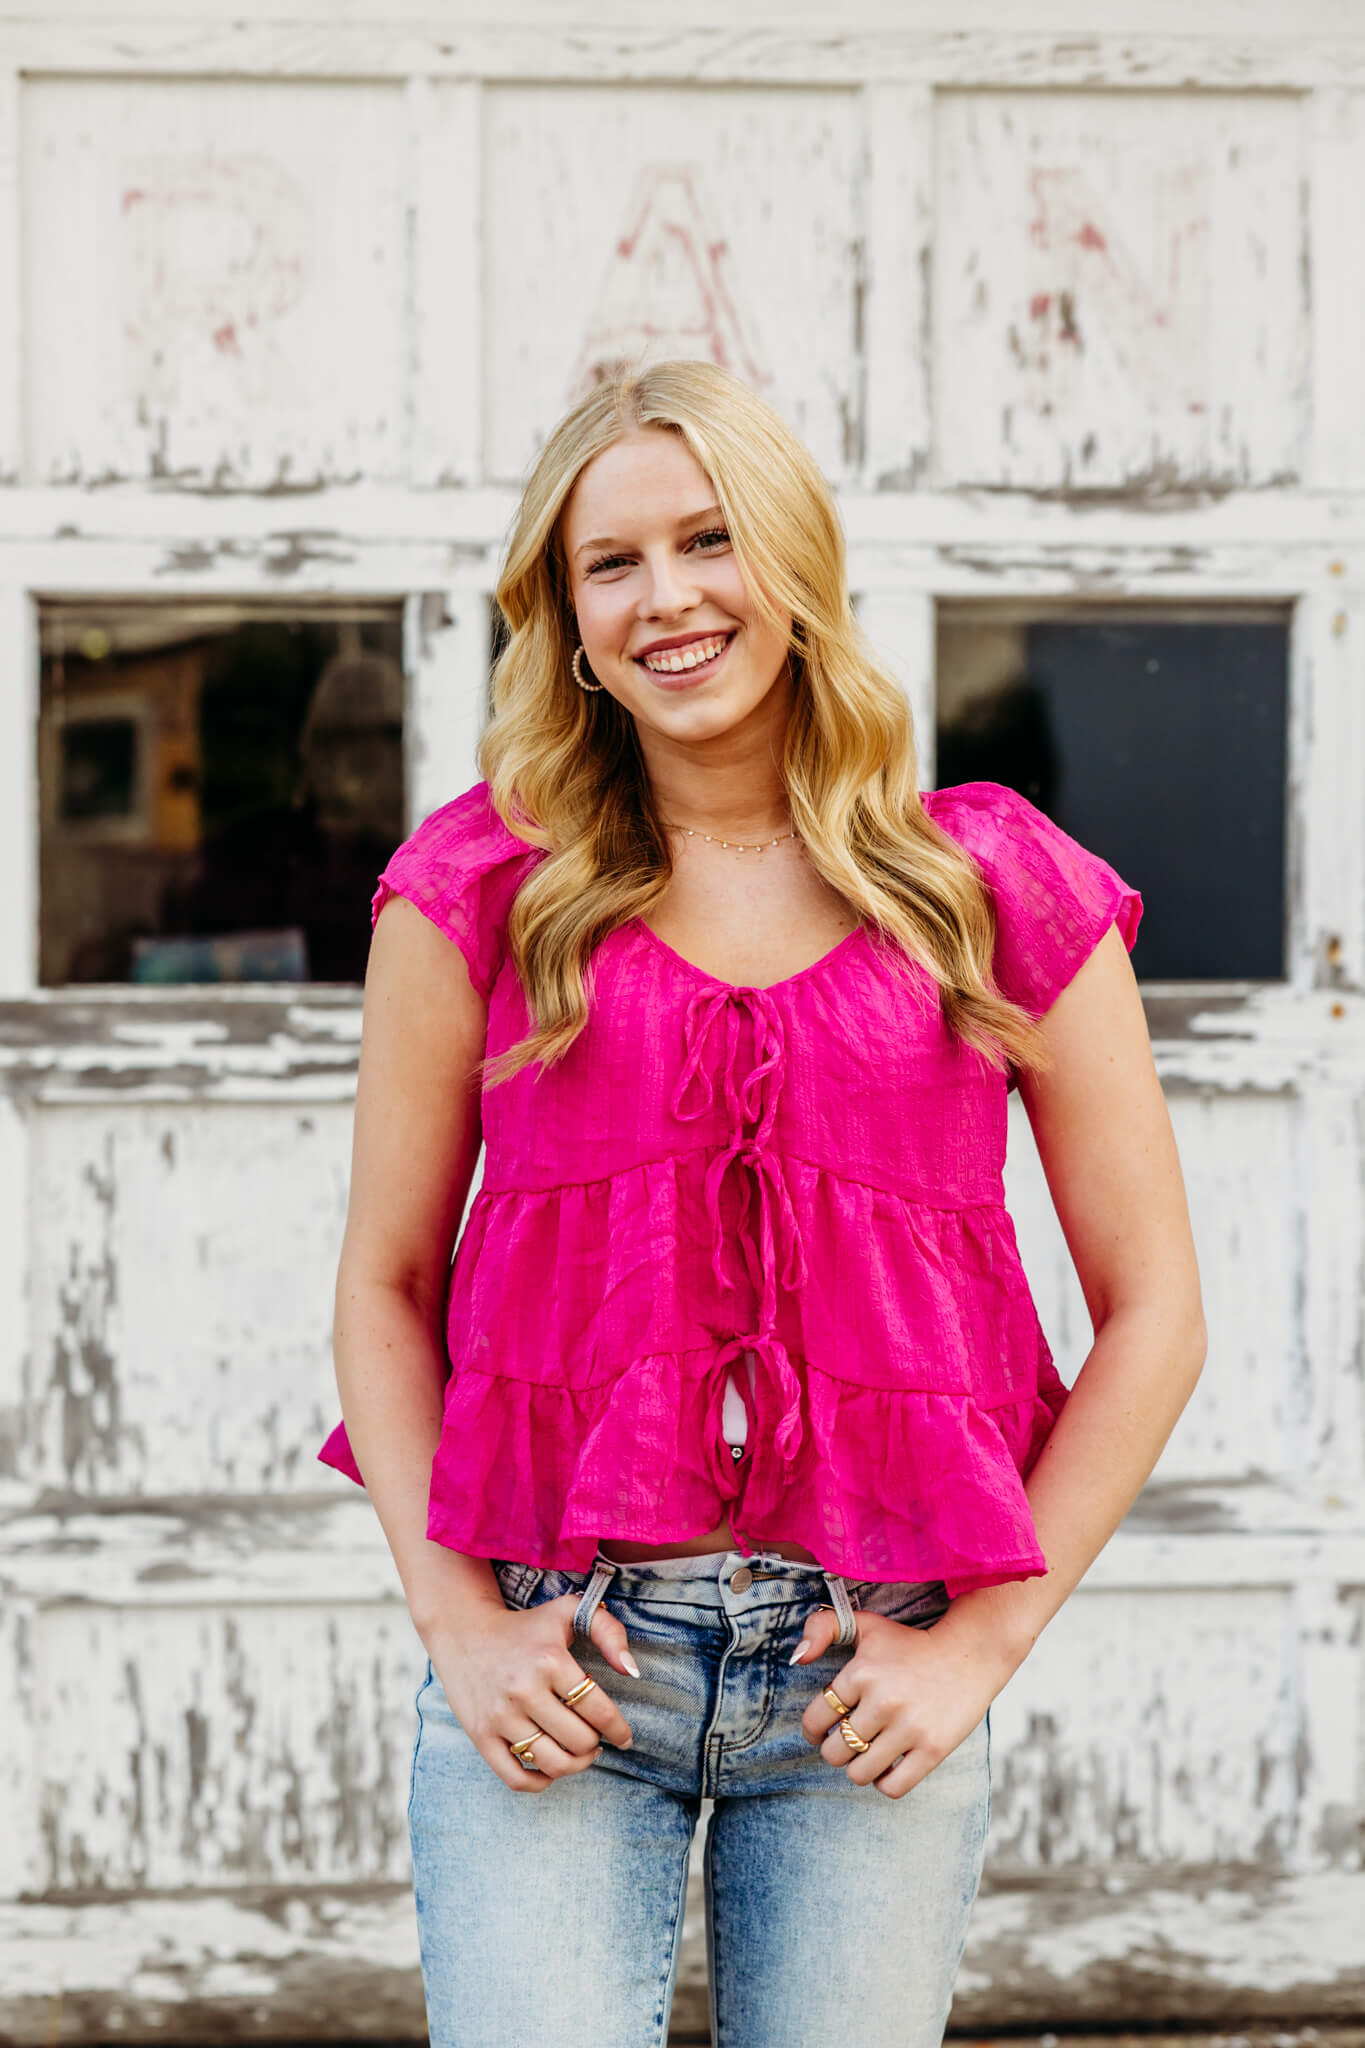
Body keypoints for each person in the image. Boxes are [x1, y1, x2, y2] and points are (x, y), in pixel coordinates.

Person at [318, 358, 1206, 2048]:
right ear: (564, 620)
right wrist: (456, 1631)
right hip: (559, 1662)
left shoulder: (988, 889)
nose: (668, 598)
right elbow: (384, 1280)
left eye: (708, 539)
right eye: (611, 563)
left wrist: (978, 1652)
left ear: (790, 559)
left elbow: (1156, 1308)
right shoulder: (477, 892)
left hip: (867, 1672)